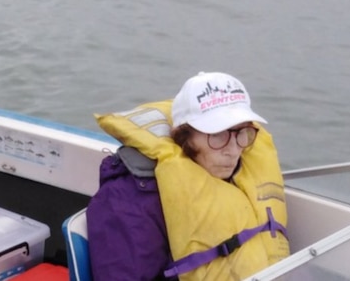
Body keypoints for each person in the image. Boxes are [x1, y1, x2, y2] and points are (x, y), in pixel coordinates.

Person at [88, 72, 289, 281]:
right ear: (183, 136)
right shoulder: (127, 202)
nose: (233, 150)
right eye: (217, 135)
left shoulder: (238, 178)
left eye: (241, 133)